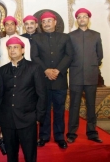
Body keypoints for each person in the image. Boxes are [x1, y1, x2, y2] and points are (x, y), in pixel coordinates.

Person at [0, 37, 46, 162]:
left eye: (16, 47)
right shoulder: (2, 70)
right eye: (9, 48)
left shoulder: (34, 68)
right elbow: (0, 96)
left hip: (28, 119)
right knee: (11, 156)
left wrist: (38, 117)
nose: (12, 50)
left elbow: (42, 94)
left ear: (23, 50)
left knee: (30, 155)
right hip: (8, 120)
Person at [31, 12, 73, 149]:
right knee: (44, 110)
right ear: (41, 24)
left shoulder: (65, 37)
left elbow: (69, 55)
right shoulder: (36, 38)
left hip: (59, 80)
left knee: (60, 110)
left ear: (55, 22)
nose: (47, 23)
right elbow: (35, 57)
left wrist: (58, 70)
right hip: (43, 81)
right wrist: (46, 70)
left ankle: (60, 137)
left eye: (49, 21)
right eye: (44, 21)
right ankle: (43, 136)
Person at [66, 8, 103, 143]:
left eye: (85, 16)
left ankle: (92, 132)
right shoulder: (70, 36)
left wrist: (91, 65)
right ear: (77, 20)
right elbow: (68, 55)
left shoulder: (96, 35)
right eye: (79, 17)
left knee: (91, 104)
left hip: (91, 75)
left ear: (88, 19)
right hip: (75, 75)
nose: (82, 19)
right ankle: (71, 133)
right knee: (74, 105)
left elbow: (100, 55)